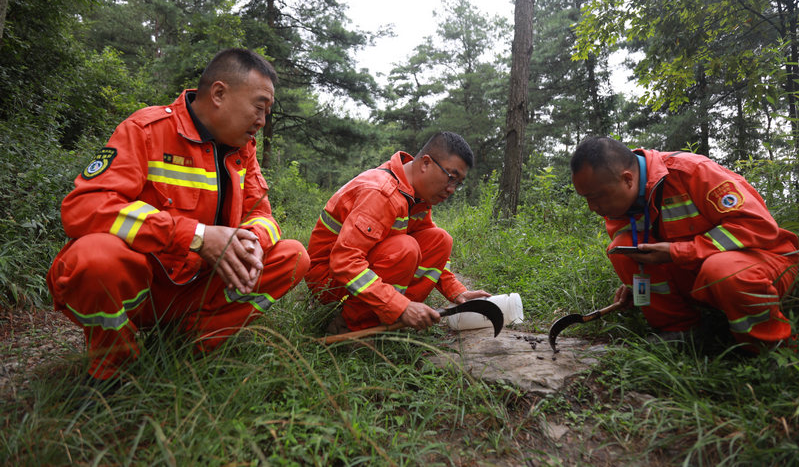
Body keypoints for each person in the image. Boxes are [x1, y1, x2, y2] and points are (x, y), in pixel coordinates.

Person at [47, 48, 310, 386]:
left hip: (199, 286)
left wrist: (253, 242)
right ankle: (111, 370)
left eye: (267, 112)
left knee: (292, 257)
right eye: (259, 108)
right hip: (145, 284)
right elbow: (84, 206)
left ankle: (184, 349)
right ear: (219, 94)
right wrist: (197, 237)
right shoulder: (146, 130)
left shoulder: (243, 151)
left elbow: (262, 214)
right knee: (95, 257)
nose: (262, 121)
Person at [570, 136, 798, 352]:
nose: (592, 207)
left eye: (596, 196)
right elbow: (648, 256)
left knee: (721, 270)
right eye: (586, 198)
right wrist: (636, 284)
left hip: (766, 263)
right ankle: (680, 329)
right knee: (624, 250)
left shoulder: (692, 172)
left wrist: (678, 251)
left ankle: (774, 351)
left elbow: (758, 226)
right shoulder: (619, 206)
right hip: (701, 273)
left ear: (627, 179)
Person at [306, 132, 490, 333]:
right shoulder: (381, 193)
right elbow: (344, 261)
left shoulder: (415, 196)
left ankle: (389, 319)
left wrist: (457, 292)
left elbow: (431, 246)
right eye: (451, 178)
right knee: (405, 248)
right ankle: (351, 326)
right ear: (425, 163)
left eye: (457, 183)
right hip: (328, 283)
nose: (451, 189)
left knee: (440, 240)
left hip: (353, 272)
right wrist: (399, 305)